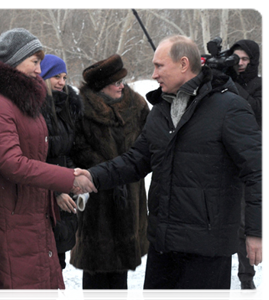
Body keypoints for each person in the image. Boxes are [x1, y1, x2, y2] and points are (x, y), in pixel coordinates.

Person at [74, 35, 266, 300]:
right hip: (163, 246)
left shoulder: (229, 108)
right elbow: (135, 160)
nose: (153, 75)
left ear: (184, 64)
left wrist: (256, 231)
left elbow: (256, 171)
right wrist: (92, 175)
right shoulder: (162, 110)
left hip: (206, 248)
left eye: (159, 66)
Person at [0, 28, 96, 300]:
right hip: (11, 216)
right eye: (34, 61)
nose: (40, 70)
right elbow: (12, 163)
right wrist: (67, 178)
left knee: (40, 286)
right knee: (17, 289)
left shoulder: (23, 103)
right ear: (15, 62)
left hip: (33, 212)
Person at [68, 54, 150, 300]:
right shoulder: (80, 108)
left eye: (122, 81)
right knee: (95, 267)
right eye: (116, 82)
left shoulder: (137, 105)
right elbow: (74, 148)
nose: (122, 86)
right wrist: (102, 169)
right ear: (100, 87)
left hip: (130, 196)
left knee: (121, 267)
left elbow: (150, 141)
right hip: (96, 198)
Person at [228, 39, 266, 296]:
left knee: (243, 223)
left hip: (247, 158)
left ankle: (246, 277)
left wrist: (228, 83)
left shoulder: (260, 85)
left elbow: (255, 113)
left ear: (252, 61)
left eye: (244, 59)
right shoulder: (221, 80)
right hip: (221, 155)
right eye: (235, 58)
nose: (239, 64)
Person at [40, 54, 83, 270]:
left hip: (68, 189)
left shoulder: (68, 107)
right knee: (45, 264)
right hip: (46, 195)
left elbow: (71, 150)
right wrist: (55, 192)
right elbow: (36, 160)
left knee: (58, 265)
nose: (62, 82)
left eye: (65, 77)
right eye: (56, 76)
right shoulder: (36, 109)